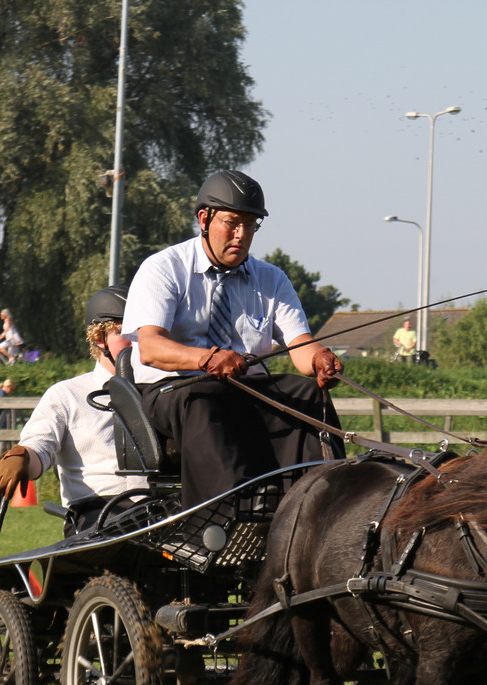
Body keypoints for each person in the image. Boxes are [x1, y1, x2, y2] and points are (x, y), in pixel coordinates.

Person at [122, 169, 345, 511]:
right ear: (204, 219)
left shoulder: (271, 279)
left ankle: (318, 505)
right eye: (232, 223)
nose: (241, 234)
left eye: (251, 225)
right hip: (175, 389)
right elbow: (151, 348)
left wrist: (319, 359)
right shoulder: (164, 269)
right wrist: (207, 359)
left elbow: (301, 348)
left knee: (308, 392)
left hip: (245, 389)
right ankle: (224, 513)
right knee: (203, 400)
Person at [0, 287, 149, 534]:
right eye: (125, 332)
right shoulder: (67, 395)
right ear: (100, 338)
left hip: (161, 506)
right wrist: (22, 457)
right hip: (98, 514)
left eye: (142, 331)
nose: (138, 341)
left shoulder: (162, 389)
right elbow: (40, 444)